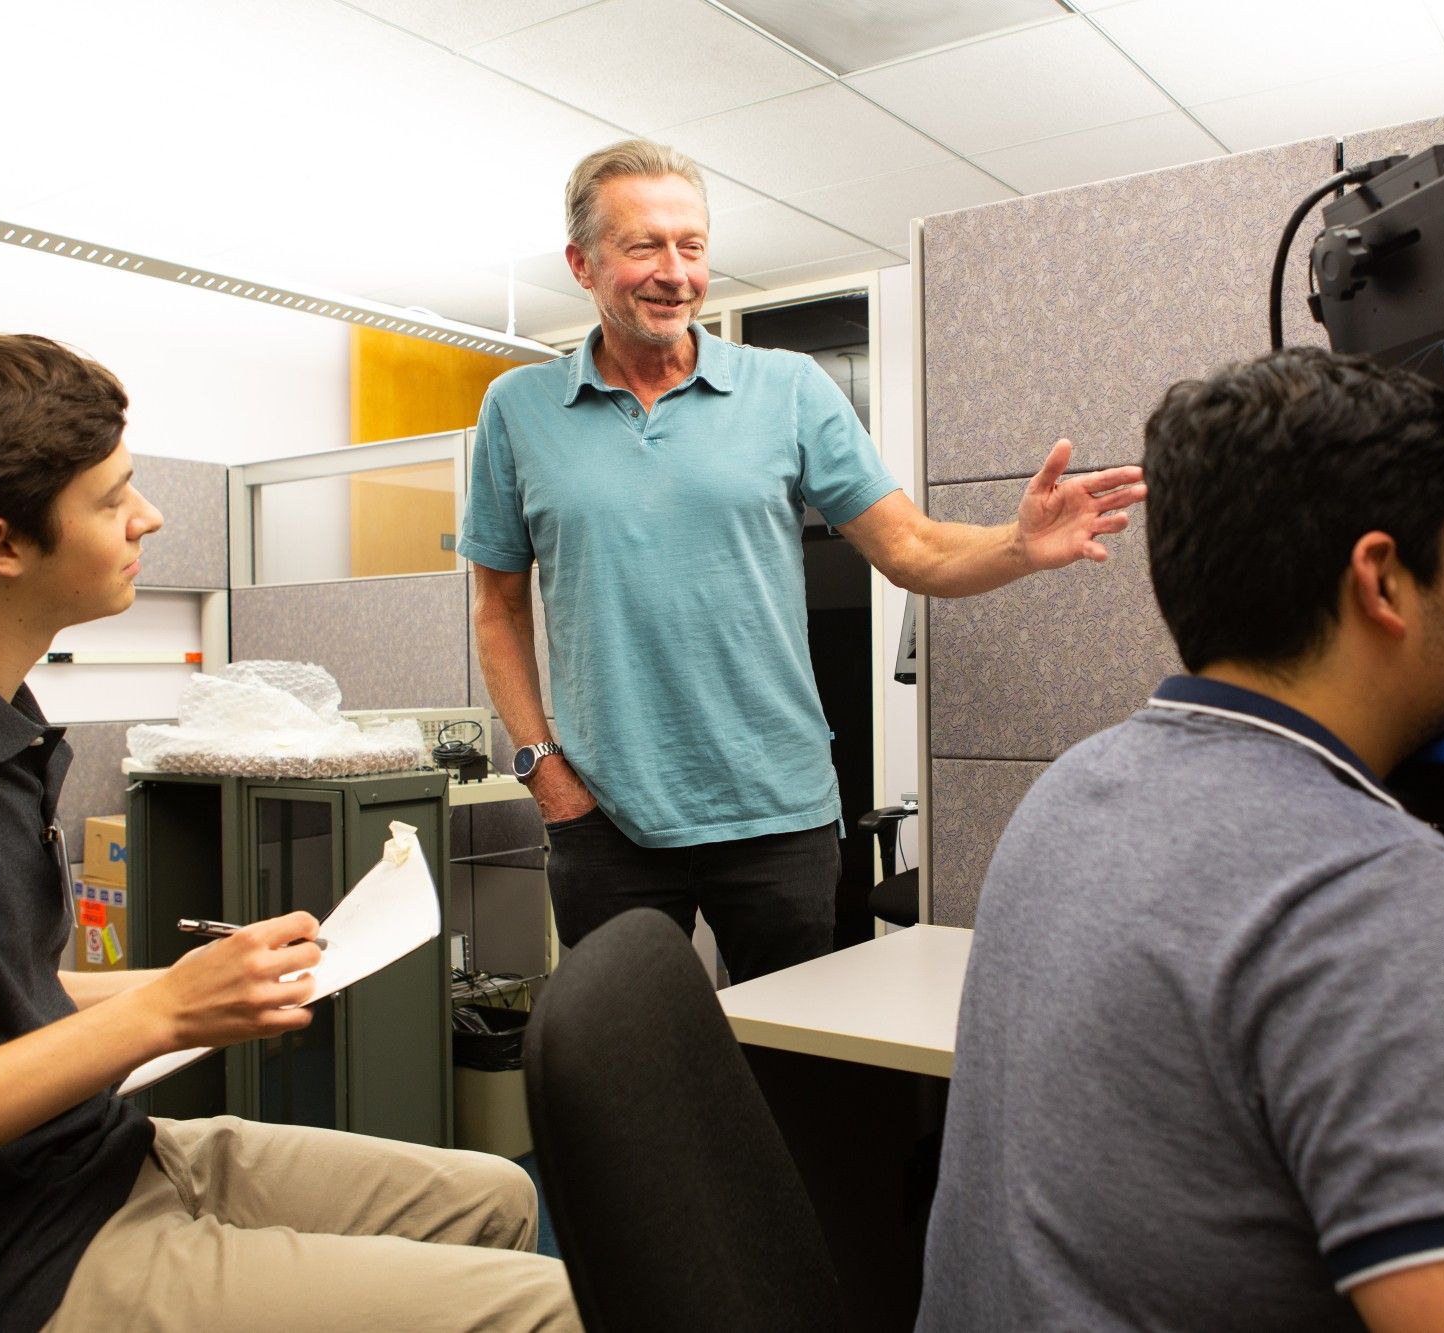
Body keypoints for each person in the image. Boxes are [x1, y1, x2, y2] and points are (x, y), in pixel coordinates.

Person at [0, 333, 579, 1333]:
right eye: (110, 497)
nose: (150, 515)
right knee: (556, 1306)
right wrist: (158, 1014)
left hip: (95, 1160)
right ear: (2, 546)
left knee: (499, 1197)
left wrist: (217, 984)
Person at [918, 347, 1444, 1332]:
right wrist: (1433, 1039)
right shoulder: (1374, 899)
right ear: (1382, 581)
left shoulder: (1070, 788)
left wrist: (1432, 1076)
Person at [461, 138, 1146, 981]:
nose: (675, 272)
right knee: (628, 1076)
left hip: (776, 814)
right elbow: (497, 608)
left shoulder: (788, 389)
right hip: (604, 818)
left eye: (693, 245)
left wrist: (1017, 545)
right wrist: (542, 771)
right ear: (582, 262)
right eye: (645, 246)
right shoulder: (519, 408)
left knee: (797, 1079)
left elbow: (912, 548)